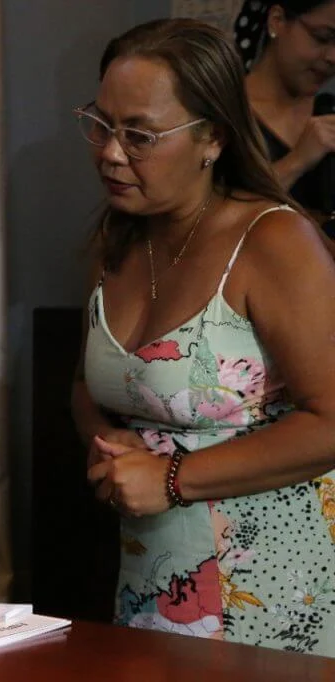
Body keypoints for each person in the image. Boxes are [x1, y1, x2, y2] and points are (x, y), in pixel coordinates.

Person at [71, 18, 335, 656]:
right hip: (155, 578)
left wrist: (170, 478)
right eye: (101, 123)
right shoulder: (120, 237)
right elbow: (88, 388)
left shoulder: (273, 240)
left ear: (212, 138)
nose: (110, 151)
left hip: (275, 590)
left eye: (139, 134)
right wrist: (108, 447)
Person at [236, 1, 335, 236]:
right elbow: (209, 220)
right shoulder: (224, 113)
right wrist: (297, 161)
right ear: (277, 20)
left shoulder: (328, 109)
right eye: (322, 38)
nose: (333, 57)